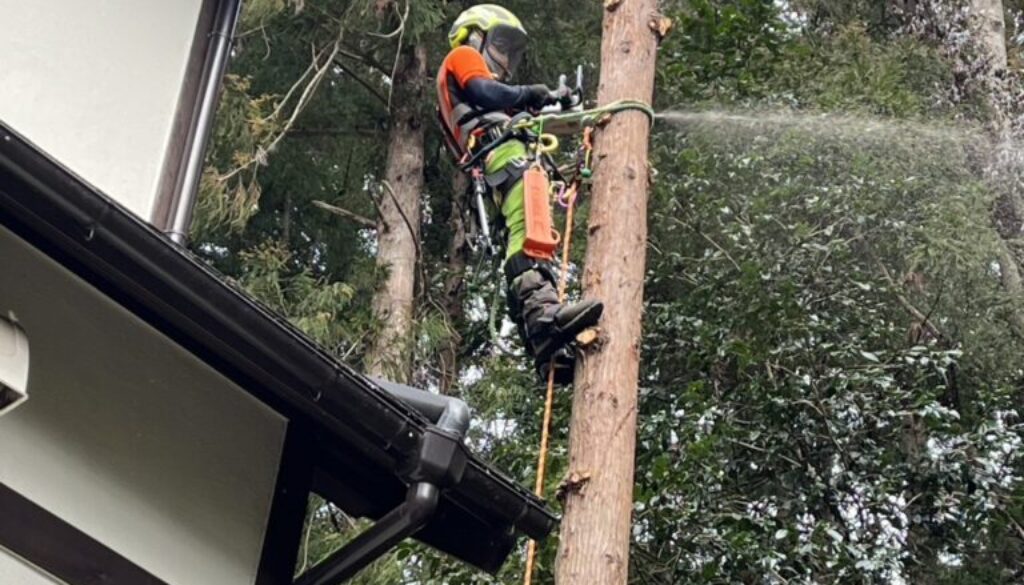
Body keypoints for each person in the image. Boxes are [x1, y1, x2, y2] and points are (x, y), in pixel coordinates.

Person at [436, 4, 602, 383]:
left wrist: (554, 103)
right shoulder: (462, 57)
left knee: (522, 231)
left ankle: (546, 348)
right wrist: (533, 93)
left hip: (494, 160)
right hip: (501, 152)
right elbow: (484, 89)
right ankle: (543, 318)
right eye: (500, 45)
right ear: (476, 36)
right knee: (531, 226)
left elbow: (513, 106)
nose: (505, 57)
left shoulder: (494, 104)